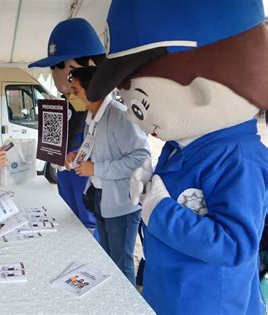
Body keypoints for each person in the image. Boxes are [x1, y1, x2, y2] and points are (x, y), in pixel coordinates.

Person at [87, 0, 268, 313]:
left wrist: (160, 211)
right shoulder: (178, 145)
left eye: (140, 104)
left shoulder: (240, 160)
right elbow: (168, 200)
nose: (134, 118)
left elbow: (235, 245)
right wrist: (146, 191)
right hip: (169, 294)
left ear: (200, 91)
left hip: (210, 304)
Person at [66, 67, 150, 285]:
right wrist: (77, 156)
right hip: (100, 197)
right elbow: (94, 149)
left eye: (75, 89)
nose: (71, 94)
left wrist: (96, 169)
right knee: (106, 260)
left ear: (93, 89)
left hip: (122, 203)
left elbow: (141, 158)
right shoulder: (92, 115)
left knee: (121, 264)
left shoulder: (120, 115)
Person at [28, 18, 106, 229]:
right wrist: (52, 153)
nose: (57, 76)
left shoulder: (109, 110)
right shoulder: (65, 105)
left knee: (92, 223)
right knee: (70, 219)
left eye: (63, 67)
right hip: (66, 177)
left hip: (93, 181)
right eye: (54, 68)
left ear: (90, 65)